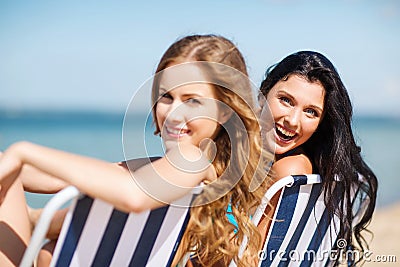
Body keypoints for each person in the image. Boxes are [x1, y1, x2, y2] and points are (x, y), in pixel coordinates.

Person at [0, 34, 272, 267]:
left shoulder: (192, 159)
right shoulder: (204, 169)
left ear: (225, 111)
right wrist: (12, 164)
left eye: (192, 101)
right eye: (166, 96)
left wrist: (23, 151)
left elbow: (133, 196)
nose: (174, 114)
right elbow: (71, 177)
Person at [257, 50, 378, 265]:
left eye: (311, 112)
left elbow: (251, 257)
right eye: (286, 100)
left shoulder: (290, 170)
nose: (292, 121)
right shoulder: (302, 166)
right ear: (264, 93)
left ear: (323, 121)